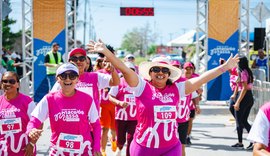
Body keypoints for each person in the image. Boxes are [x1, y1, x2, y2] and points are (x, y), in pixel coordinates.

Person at [87, 39, 239, 156]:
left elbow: (201, 80)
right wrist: (107, 52)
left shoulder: (177, 88)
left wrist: (224, 68)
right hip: (143, 148)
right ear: (150, 72)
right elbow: (125, 70)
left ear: (169, 73)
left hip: (171, 147)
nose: (160, 72)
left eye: (164, 70)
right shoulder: (141, 87)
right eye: (156, 69)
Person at [27, 63, 101, 156]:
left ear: (77, 79)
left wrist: (97, 146)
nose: (68, 79)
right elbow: (34, 120)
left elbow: (96, 125)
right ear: (57, 79)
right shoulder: (49, 99)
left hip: (83, 152)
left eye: (72, 76)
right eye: (63, 76)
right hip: (58, 152)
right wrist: (31, 130)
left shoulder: (87, 99)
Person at [0, 71, 36, 155]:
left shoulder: (27, 101)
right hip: (4, 151)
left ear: (18, 84)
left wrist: (31, 144)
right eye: (4, 81)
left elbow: (38, 123)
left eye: (11, 81)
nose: (8, 84)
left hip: (24, 149)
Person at [109, 62, 138, 156]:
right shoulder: (119, 82)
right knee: (121, 140)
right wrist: (119, 103)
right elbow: (110, 96)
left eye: (132, 71)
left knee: (131, 139)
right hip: (121, 117)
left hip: (134, 118)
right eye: (127, 71)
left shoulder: (138, 83)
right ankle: (119, 148)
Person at [96, 45, 117, 156]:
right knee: (104, 128)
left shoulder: (118, 71)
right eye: (104, 59)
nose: (106, 62)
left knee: (113, 129)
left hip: (114, 105)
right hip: (103, 105)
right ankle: (102, 150)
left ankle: (113, 140)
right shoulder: (100, 73)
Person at [231, 56, 254, 150]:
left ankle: (241, 142)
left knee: (239, 121)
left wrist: (238, 102)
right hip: (249, 97)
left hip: (244, 97)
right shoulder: (246, 71)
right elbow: (238, 84)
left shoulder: (243, 72)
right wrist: (234, 94)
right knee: (244, 120)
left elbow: (244, 88)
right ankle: (254, 140)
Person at [182, 62, 201, 145]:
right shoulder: (179, 79)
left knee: (190, 121)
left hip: (191, 106)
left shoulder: (195, 78)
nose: (188, 71)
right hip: (180, 107)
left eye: (190, 69)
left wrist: (197, 104)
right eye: (187, 69)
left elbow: (197, 93)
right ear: (183, 69)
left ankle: (188, 136)